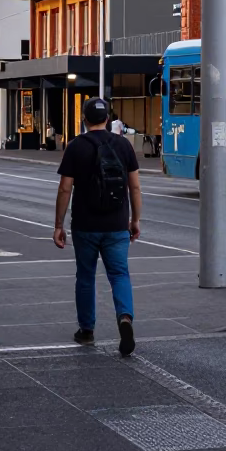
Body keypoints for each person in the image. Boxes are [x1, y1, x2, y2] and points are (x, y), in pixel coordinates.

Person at [53, 97, 141, 356]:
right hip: (116, 224)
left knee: (86, 276)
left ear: (84, 118)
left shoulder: (76, 147)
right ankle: (125, 318)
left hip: (85, 224)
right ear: (107, 118)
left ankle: (87, 330)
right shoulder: (124, 146)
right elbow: (134, 187)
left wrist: (58, 224)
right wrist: (135, 220)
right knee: (119, 274)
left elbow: (65, 188)